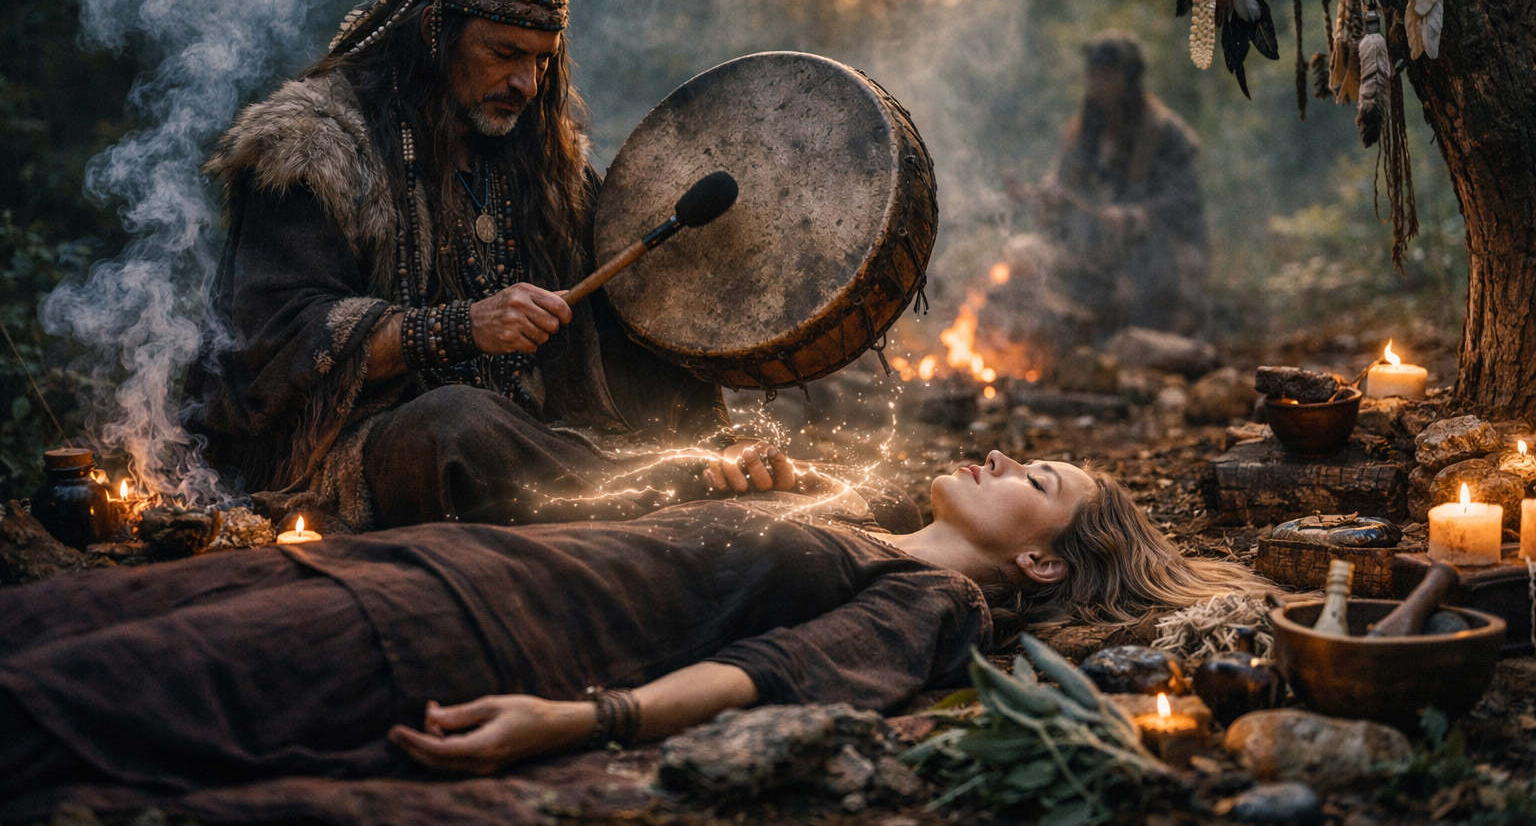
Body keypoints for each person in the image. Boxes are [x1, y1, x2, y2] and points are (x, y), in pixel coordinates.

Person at [0, 454, 1261, 801]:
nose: (1002, 455)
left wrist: (577, 720)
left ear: (1038, 557)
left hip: (453, 642)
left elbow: (782, 678)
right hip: (429, 563)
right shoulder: (870, 529)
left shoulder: (939, 600)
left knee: (78, 695)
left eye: (1034, 479)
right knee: (60, 610)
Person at [182, 0, 786, 532]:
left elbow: (629, 324)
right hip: (344, 458)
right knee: (456, 427)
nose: (526, 83)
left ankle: (692, 478)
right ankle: (665, 491)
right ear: (435, 35)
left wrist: (719, 443)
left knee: (502, 426)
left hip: (539, 441)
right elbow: (277, 338)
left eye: (541, 61)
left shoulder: (550, 164)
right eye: (504, 54)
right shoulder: (315, 151)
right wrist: (461, 327)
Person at [1031, 31, 1210, 339]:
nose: (1096, 83)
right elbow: (1062, 180)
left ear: (1128, 80)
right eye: (1092, 74)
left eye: (1106, 75)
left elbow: (1184, 200)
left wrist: (1133, 215)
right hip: (1097, 258)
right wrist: (1047, 196)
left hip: (1155, 259)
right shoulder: (1084, 131)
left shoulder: (1167, 133)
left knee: (1146, 312)